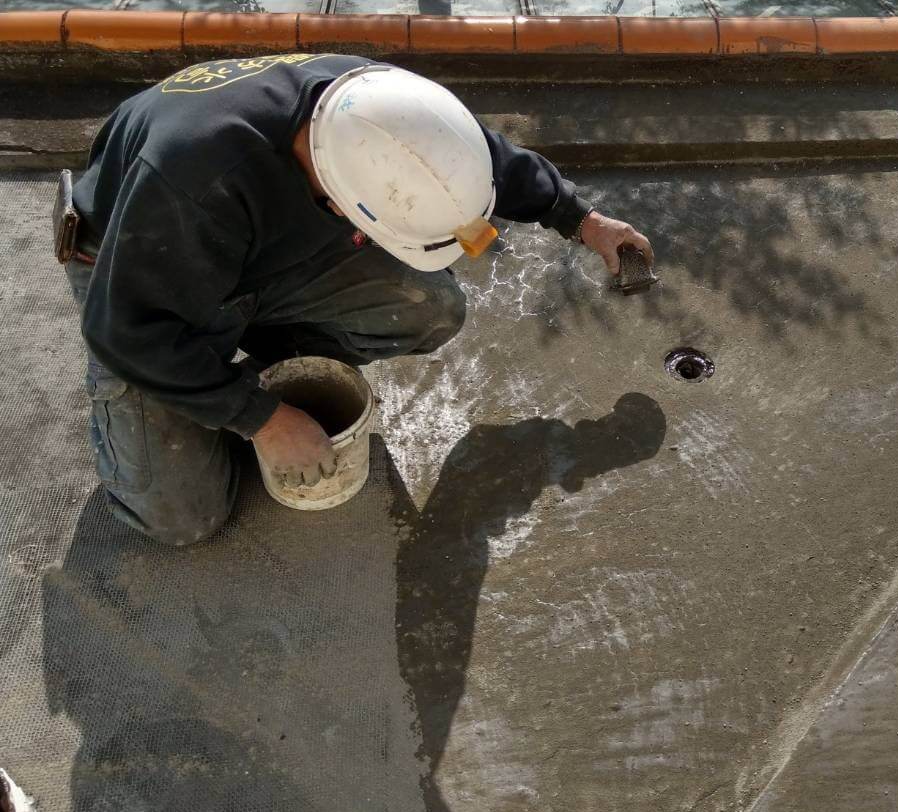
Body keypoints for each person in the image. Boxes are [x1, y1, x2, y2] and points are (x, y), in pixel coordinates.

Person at [60, 53, 654, 546]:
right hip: (142, 279)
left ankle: (246, 373)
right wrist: (263, 419)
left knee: (429, 307)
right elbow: (124, 329)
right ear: (345, 203)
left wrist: (583, 220)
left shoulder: (375, 110)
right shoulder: (195, 178)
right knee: (183, 520)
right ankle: (171, 406)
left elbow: (468, 157)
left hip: (255, 253)